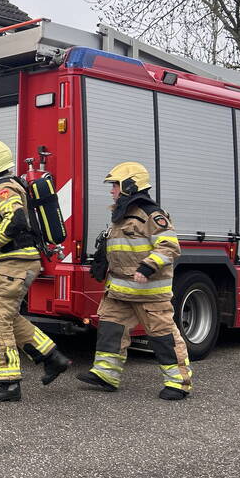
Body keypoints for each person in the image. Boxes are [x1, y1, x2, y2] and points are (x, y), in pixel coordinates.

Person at [0, 139, 71, 402]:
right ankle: (51, 357)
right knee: (8, 316)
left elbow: (16, 219)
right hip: (17, 262)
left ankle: (8, 384)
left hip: (16, 262)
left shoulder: (3, 187)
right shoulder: (1, 186)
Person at [76, 162, 192, 400]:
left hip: (149, 292)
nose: (112, 191)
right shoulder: (121, 215)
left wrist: (147, 267)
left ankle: (178, 382)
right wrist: (102, 262)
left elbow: (169, 246)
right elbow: (122, 247)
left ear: (130, 185)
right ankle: (106, 374)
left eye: (115, 185)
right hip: (120, 290)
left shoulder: (152, 215)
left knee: (162, 336)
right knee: (110, 328)